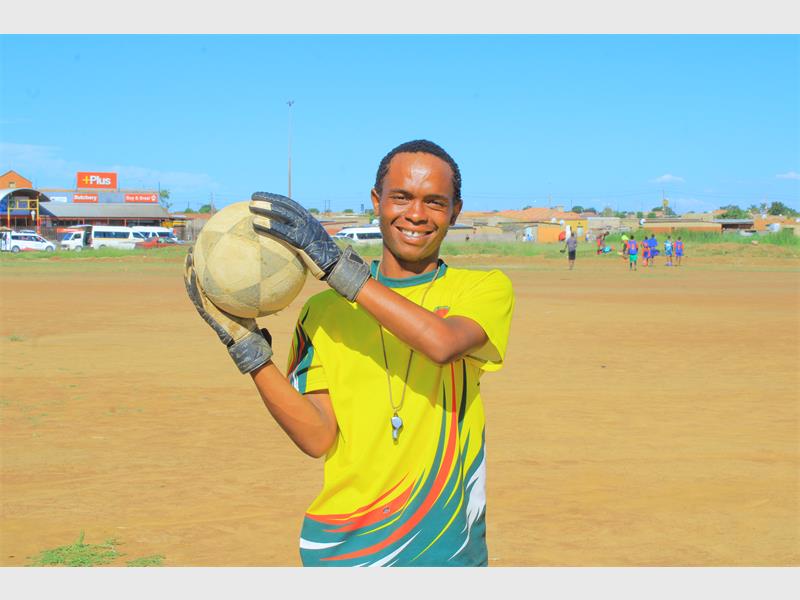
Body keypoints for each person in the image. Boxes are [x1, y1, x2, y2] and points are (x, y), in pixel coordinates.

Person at [184, 140, 515, 567]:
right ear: (377, 201)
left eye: (435, 202)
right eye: (401, 197)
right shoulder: (321, 312)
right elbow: (317, 436)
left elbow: (442, 344)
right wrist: (250, 353)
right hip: (342, 553)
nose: (416, 214)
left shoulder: (483, 288)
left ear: (455, 211)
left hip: (445, 552)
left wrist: (340, 270)